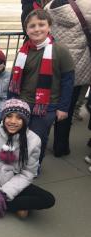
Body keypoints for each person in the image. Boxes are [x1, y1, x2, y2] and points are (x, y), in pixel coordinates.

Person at [8, 9, 74, 168]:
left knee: (37, 138)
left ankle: (33, 166)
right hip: (22, 102)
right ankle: (17, 162)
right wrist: (9, 102)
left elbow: (68, 81)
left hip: (48, 106)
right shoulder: (23, 52)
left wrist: (63, 108)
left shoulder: (60, 50)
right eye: (32, 26)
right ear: (27, 30)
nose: (37, 29)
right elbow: (13, 79)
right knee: (18, 135)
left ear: (49, 27)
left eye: (41, 24)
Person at [44, 0, 91, 157]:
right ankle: (61, 146)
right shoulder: (87, 6)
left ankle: (40, 138)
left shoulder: (50, 6)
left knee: (48, 103)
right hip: (78, 66)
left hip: (56, 62)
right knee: (67, 108)